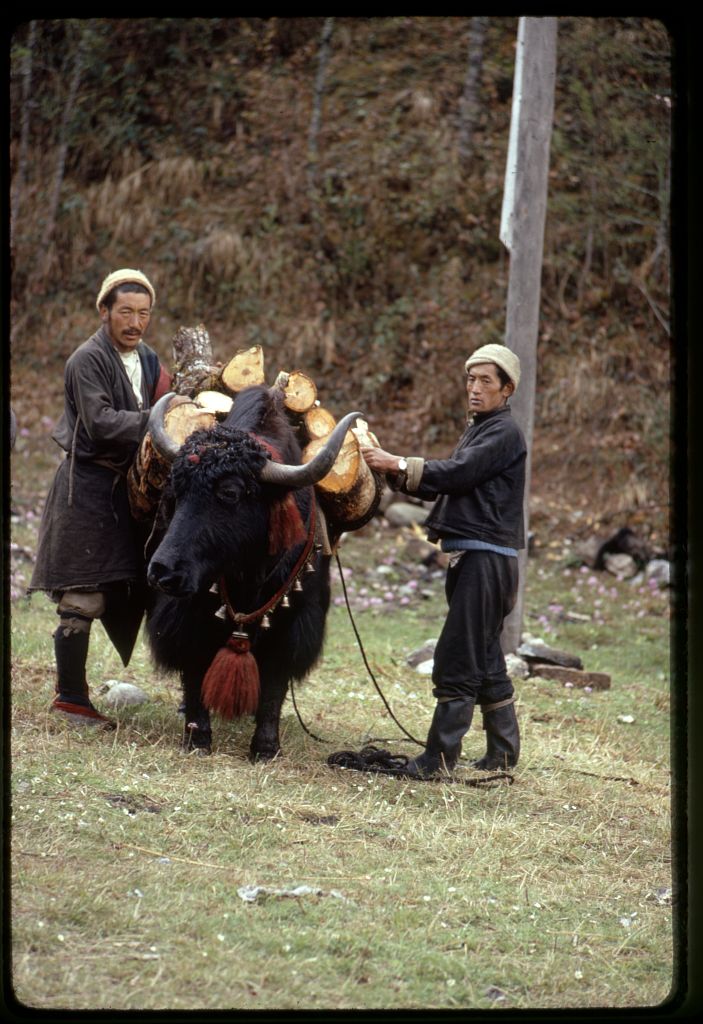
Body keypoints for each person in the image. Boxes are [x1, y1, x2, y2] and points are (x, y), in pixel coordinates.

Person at [361, 343, 526, 778]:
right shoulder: (482, 428)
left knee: (457, 654)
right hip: (479, 559)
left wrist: (395, 460)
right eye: (471, 379)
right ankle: (504, 753)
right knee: (485, 656)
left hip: (485, 562)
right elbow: (444, 484)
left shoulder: (503, 434)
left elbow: (457, 473)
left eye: (486, 381)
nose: (474, 388)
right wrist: (391, 470)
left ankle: (438, 760)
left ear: (506, 389)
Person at [28, 269, 171, 726]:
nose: (135, 322)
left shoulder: (149, 361)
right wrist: (160, 420)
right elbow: (101, 422)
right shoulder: (85, 360)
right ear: (104, 311)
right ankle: (71, 698)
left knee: (136, 585)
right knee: (82, 593)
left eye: (143, 313)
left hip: (129, 491)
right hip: (87, 488)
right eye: (125, 311)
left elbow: (170, 402)